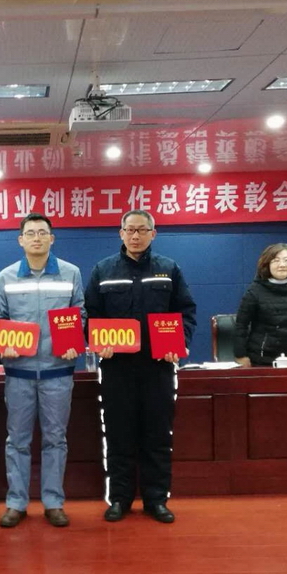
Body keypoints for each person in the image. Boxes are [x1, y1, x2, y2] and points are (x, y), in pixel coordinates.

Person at [85, 209, 196, 524]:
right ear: (121, 233)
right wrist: (97, 342)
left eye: (142, 230)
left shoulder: (168, 269)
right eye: (130, 230)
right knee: (118, 435)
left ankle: (156, 500)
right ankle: (119, 499)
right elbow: (90, 313)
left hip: (157, 367)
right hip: (116, 368)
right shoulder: (103, 270)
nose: (135, 236)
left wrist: (179, 344)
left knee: (157, 436)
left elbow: (186, 311)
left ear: (153, 233)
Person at [0, 212, 85, 528]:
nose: (36, 238)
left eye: (42, 232)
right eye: (30, 233)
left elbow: (79, 314)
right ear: (21, 240)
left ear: (51, 238)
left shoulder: (71, 273)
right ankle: (16, 503)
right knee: (17, 440)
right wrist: (2, 343)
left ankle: (53, 501)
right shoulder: (6, 276)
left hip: (58, 371)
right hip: (18, 372)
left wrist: (75, 341)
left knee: (55, 440)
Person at [233, 243, 287, 367]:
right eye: (276, 260)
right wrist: (240, 355)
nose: (282, 265)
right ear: (267, 264)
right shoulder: (254, 290)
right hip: (260, 357)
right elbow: (241, 325)